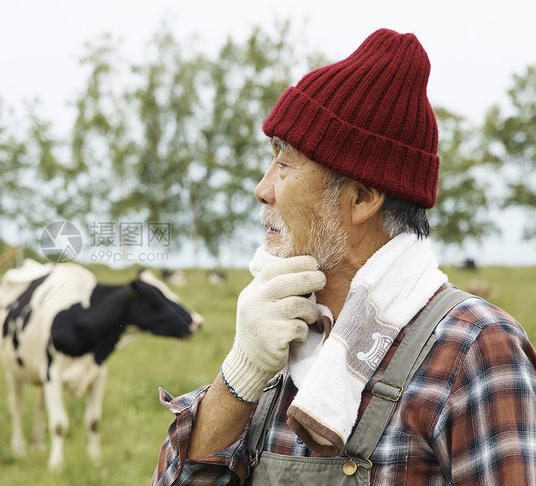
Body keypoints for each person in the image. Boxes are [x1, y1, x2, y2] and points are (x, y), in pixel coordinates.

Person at [152, 28, 536, 485]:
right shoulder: (279, 336)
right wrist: (241, 376)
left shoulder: (476, 350)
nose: (263, 189)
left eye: (286, 163)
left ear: (361, 198)